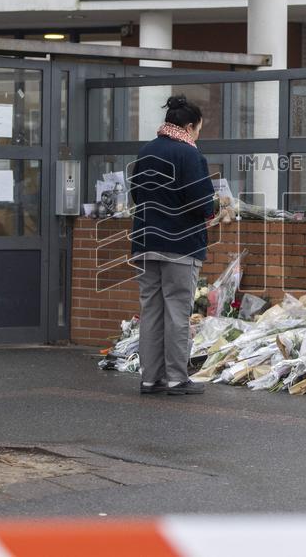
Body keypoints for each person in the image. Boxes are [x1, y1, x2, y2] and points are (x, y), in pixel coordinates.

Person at [129, 95, 215, 396]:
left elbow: (136, 196)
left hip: (144, 242)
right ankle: (178, 378)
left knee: (150, 310)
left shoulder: (146, 151)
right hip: (180, 245)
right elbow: (202, 202)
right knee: (178, 311)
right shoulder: (189, 155)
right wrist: (214, 209)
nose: (198, 135)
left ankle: (150, 378)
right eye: (199, 129)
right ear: (189, 126)